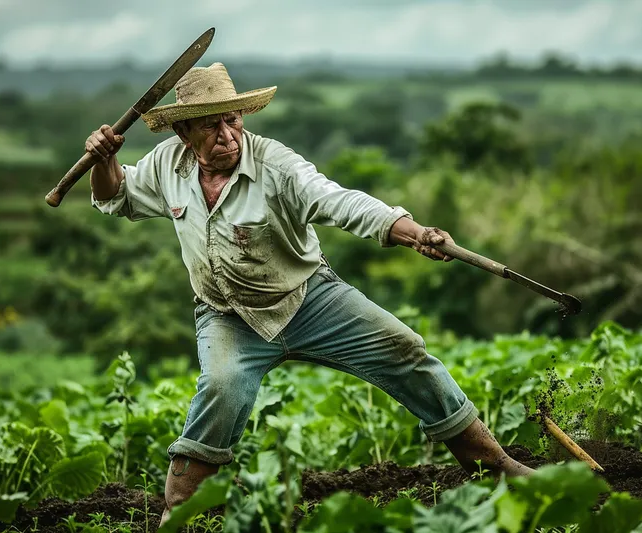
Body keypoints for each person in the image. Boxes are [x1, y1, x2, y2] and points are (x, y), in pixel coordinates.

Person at [87, 62, 534, 524]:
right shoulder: (167, 165)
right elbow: (115, 196)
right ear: (183, 131)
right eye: (210, 124)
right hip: (226, 315)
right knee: (221, 387)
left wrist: (411, 231)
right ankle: (178, 514)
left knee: (404, 347)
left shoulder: (275, 164)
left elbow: (338, 200)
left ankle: (495, 467)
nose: (227, 135)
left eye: (232, 120)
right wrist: (104, 161)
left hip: (309, 298)